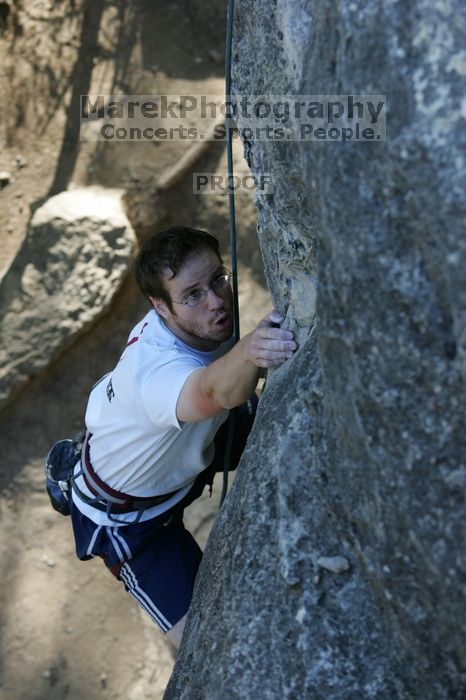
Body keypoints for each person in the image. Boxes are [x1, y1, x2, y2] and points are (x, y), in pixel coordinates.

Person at [69, 226, 296, 648]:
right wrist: (249, 350)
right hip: (132, 522)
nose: (216, 301)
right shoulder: (156, 372)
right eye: (193, 295)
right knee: (207, 641)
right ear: (161, 306)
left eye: (218, 279)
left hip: (184, 450)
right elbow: (216, 391)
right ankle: (78, 478)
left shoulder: (183, 329)